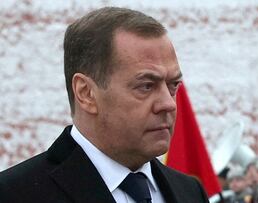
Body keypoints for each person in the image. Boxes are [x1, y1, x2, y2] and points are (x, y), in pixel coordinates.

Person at [0, 7, 209, 203]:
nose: (168, 104)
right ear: (86, 93)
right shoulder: (15, 194)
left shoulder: (190, 191)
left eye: (173, 85)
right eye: (146, 86)